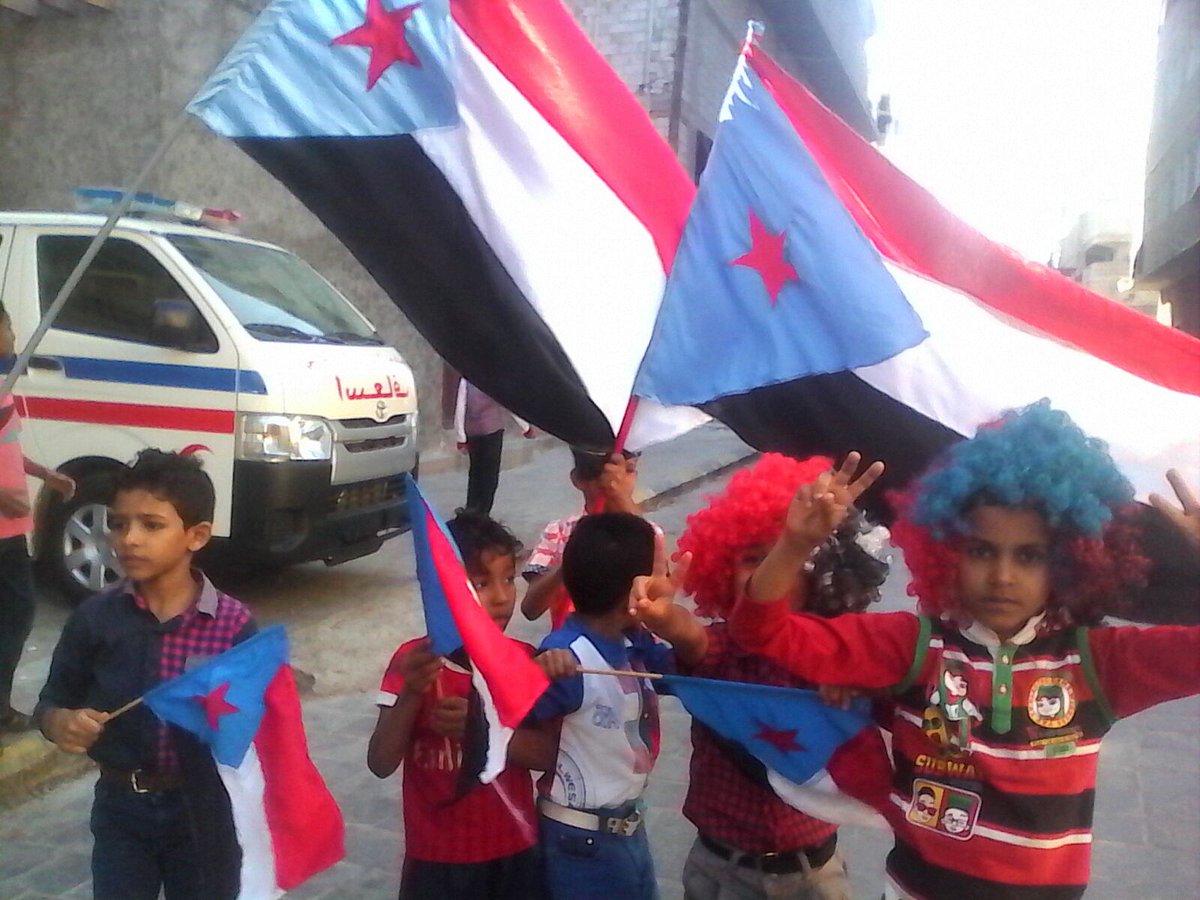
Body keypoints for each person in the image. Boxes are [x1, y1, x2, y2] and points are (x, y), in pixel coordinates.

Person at [728, 402, 1200, 900]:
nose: (1002, 575)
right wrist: (794, 545)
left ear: (1068, 560)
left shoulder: (1097, 665)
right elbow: (762, 633)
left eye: (1029, 555)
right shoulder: (914, 646)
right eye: (981, 551)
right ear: (948, 550)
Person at [35, 450, 257, 900]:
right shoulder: (95, 618)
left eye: (151, 525)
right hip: (122, 806)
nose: (129, 539)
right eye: (119, 524)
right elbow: (52, 701)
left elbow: (254, 728)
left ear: (196, 535)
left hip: (204, 809)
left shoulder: (233, 626)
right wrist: (60, 722)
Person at [667, 453, 889, 900]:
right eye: (753, 558)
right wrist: (661, 617)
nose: (772, 572)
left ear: (824, 574)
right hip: (719, 868)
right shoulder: (721, 647)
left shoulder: (839, 655)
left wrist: (854, 681)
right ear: (722, 568)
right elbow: (690, 640)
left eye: (788, 556)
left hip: (813, 871)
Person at [367, 510, 568, 900]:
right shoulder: (415, 662)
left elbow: (546, 755)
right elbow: (381, 761)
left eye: (508, 579)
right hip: (437, 858)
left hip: (513, 847)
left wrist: (484, 730)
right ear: (443, 590)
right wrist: (412, 693)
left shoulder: (523, 661)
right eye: (481, 583)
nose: (502, 597)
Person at [526, 512, 704, 900]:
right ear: (631, 595)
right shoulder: (565, 657)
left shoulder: (633, 642)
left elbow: (687, 671)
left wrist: (668, 620)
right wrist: (534, 676)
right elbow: (512, 721)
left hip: (625, 827)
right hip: (580, 840)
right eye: (655, 576)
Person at [0, 306, 76, 732]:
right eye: (8, 327)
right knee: (17, 613)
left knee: (14, 614)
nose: (14, 336)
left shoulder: (4, 387)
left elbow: (8, 446)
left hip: (11, 532)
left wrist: (44, 474)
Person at [522, 448, 643, 626]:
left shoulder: (646, 533)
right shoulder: (559, 532)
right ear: (578, 479)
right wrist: (569, 564)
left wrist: (625, 505)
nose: (616, 482)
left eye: (629, 470)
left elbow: (658, 580)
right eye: (602, 473)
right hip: (571, 640)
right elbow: (530, 609)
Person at [449, 372, 534, 516]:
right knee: (490, 475)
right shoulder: (493, 378)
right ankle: (482, 512)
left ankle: (471, 509)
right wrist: (525, 426)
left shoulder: (466, 379)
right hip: (492, 431)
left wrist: (461, 437)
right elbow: (509, 404)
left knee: (475, 473)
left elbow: (460, 407)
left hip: (473, 433)